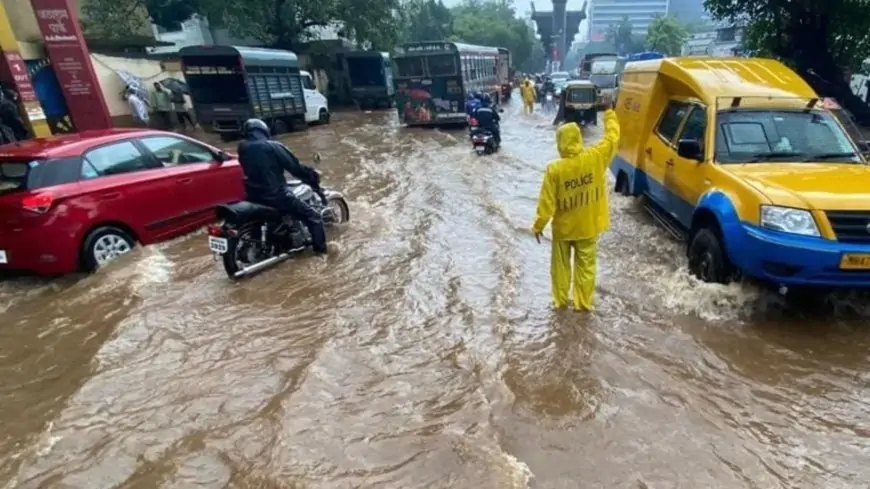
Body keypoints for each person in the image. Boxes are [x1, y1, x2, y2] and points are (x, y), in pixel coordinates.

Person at [531, 93, 620, 311]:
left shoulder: (555, 169)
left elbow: (547, 204)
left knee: (560, 269)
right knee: (586, 268)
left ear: (560, 143)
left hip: (564, 229)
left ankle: (560, 303)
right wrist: (609, 112)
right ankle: (583, 304)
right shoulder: (595, 157)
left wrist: (538, 226)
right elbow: (612, 139)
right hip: (588, 227)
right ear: (579, 138)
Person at [237, 118, 328, 255]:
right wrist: (311, 174)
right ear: (264, 130)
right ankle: (320, 254)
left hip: (253, 195)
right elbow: (295, 168)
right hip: (275, 196)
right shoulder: (273, 146)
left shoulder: (242, 148)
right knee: (314, 218)